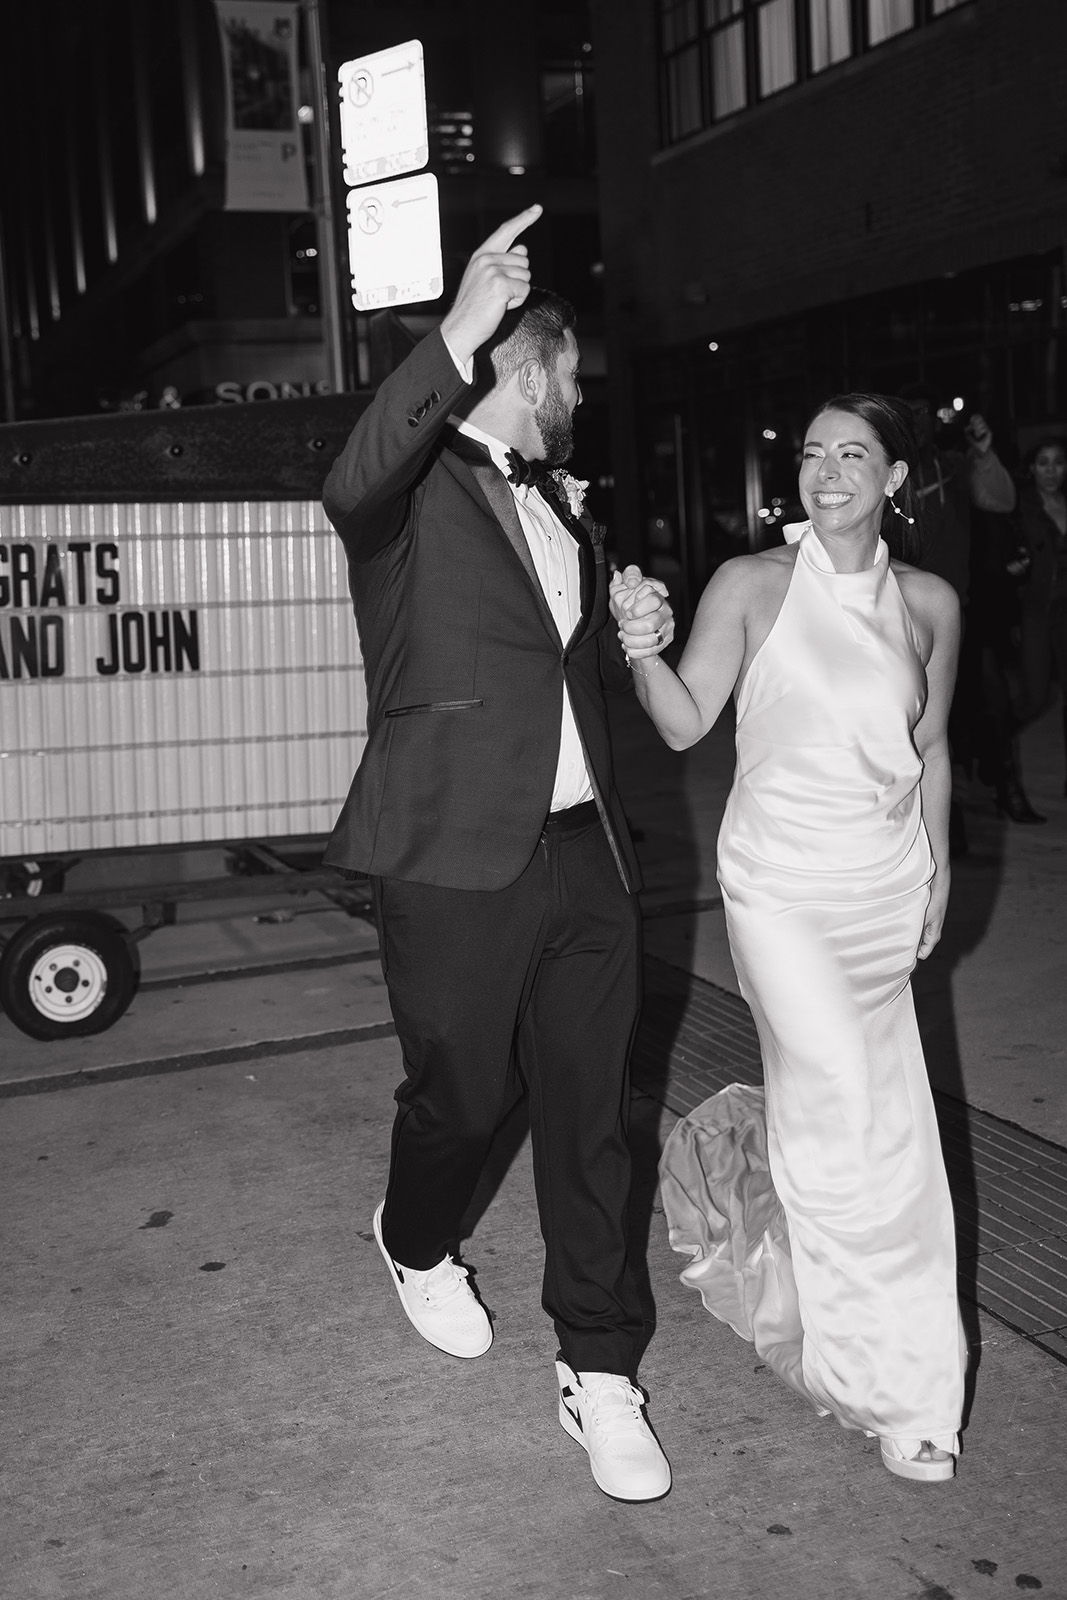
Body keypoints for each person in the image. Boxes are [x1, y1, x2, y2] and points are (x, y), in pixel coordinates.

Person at [321, 205, 673, 1503]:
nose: (578, 393)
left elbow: (546, 670)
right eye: (568, 371)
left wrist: (624, 617)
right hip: (454, 855)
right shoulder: (409, 500)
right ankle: (414, 1240)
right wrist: (457, 326)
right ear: (527, 369)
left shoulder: (564, 510)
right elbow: (347, 479)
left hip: (584, 857)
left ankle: (600, 1365)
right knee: (464, 1099)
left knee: (591, 1116)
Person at [613, 394, 968, 1483]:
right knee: (844, 1116)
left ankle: (906, 1374)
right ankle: (884, 1386)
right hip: (778, 890)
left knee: (891, 1125)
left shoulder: (929, 602)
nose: (826, 472)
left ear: (894, 478)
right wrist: (639, 646)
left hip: (880, 885)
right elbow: (681, 721)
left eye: (852, 454)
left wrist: (939, 866)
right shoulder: (752, 583)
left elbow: (932, 746)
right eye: (812, 454)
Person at [899, 385, 1027, 839]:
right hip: (903, 622)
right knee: (924, 722)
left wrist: (986, 454)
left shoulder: (954, 468)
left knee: (992, 703)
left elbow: (1001, 499)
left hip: (964, 614)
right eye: (907, 416)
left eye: (922, 415)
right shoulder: (890, 479)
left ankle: (1004, 785)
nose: (916, 425)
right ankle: (944, 818)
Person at [1015, 436, 1067, 795]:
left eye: (1059, 462)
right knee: (1034, 697)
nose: (1051, 471)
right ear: (1032, 468)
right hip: (1033, 612)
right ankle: (993, 749)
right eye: (1043, 462)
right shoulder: (1019, 508)